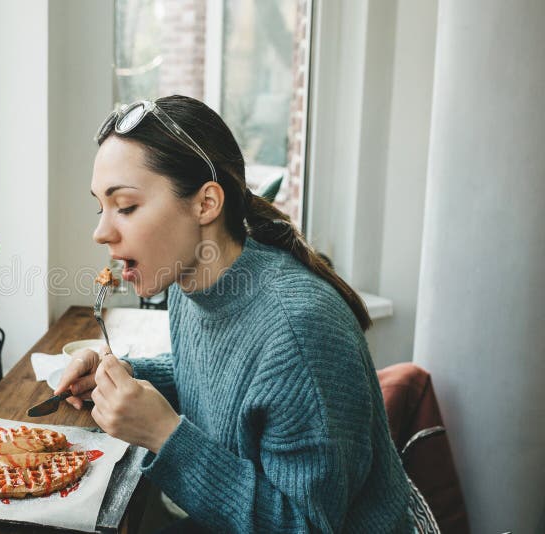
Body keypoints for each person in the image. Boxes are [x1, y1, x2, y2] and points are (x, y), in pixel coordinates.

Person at [54, 95, 414, 533]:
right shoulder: (191, 285)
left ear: (205, 204)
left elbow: (309, 526)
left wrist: (164, 436)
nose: (100, 232)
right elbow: (223, 380)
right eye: (101, 207)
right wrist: (125, 377)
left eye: (125, 206)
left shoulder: (301, 330)